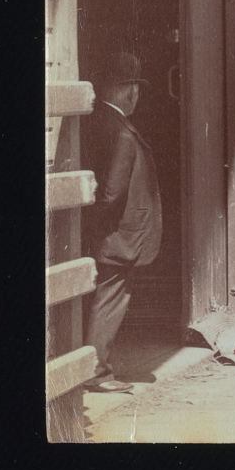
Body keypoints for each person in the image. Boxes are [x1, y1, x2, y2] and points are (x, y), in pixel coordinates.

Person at [80, 51, 162, 395]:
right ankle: (96, 373)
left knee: (103, 297)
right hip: (116, 237)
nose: (137, 96)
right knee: (110, 299)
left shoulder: (100, 121)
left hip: (107, 235)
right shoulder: (122, 134)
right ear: (122, 90)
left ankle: (92, 367)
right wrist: (97, 230)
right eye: (134, 88)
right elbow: (112, 193)